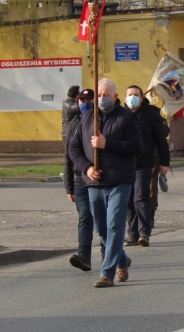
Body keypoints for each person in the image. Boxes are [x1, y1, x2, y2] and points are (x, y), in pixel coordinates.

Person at [68, 78, 142, 287]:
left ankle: (107, 273)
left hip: (119, 180)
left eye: (106, 95)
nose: (102, 99)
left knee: (115, 225)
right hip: (94, 183)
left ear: (116, 97)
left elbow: (136, 147)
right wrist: (87, 168)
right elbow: (74, 149)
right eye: (99, 95)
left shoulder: (126, 118)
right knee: (102, 229)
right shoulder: (87, 117)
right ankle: (122, 260)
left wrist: (106, 143)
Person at [123, 85, 170, 247]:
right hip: (125, 164)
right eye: (129, 94)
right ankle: (132, 234)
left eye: (135, 95)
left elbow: (161, 140)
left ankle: (144, 231)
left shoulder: (151, 114)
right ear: (124, 98)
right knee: (128, 200)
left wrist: (165, 162)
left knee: (141, 196)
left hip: (144, 163)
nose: (132, 97)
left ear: (142, 98)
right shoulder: (120, 115)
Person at [64, 88, 95, 272]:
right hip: (79, 179)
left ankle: (115, 257)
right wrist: (68, 187)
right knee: (85, 216)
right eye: (82, 100)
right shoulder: (73, 124)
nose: (85, 103)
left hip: (100, 179)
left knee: (101, 220)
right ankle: (84, 255)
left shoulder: (102, 122)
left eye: (89, 100)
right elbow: (68, 156)